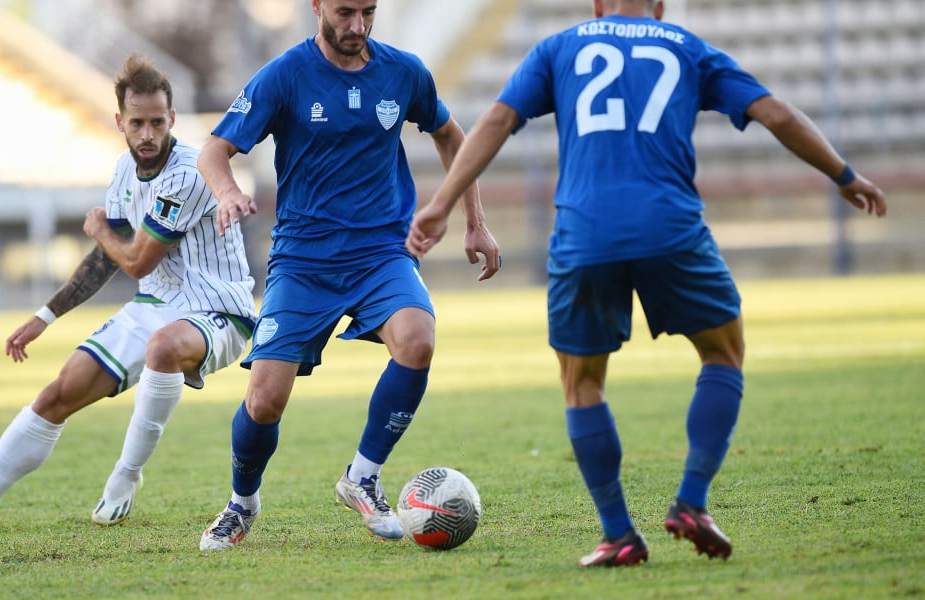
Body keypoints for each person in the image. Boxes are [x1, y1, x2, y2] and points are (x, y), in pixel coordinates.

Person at [406, 0, 887, 567]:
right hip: (671, 228)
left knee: (581, 382)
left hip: (586, 233)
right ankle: (692, 502)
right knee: (723, 352)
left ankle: (618, 534)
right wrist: (844, 175)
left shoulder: (561, 47)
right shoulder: (686, 47)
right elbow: (777, 114)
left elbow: (495, 122)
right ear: (659, 5)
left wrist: (441, 205)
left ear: (597, 4)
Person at [195, 0, 500, 551]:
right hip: (303, 259)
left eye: (368, 11)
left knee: (417, 340)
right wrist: (229, 191)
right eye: (343, 12)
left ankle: (363, 476)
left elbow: (455, 138)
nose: (357, 26)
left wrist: (475, 222)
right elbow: (215, 151)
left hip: (382, 251)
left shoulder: (404, 72)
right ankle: (242, 503)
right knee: (264, 400)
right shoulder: (286, 75)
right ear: (316, 6)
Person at [0, 54, 257, 531]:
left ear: (172, 119)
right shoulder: (122, 173)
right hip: (155, 306)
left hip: (219, 310)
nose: (148, 134)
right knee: (57, 393)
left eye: (158, 122)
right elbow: (106, 260)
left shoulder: (189, 173)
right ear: (120, 122)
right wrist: (44, 316)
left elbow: (135, 259)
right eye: (138, 123)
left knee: (164, 347)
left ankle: (126, 474)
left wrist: (97, 229)